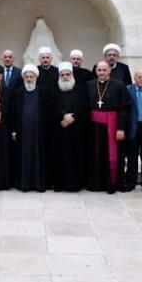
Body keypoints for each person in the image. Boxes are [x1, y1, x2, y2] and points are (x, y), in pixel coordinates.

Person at [85, 61, 130, 193]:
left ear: (109, 71)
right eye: (99, 70)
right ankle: (95, 184)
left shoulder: (119, 85)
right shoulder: (89, 85)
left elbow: (123, 108)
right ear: (96, 71)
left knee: (113, 155)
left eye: (104, 70)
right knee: (95, 154)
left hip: (112, 124)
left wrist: (121, 128)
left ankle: (112, 184)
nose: (102, 73)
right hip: (94, 126)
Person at [11, 64, 50, 192]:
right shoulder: (17, 93)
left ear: (36, 78)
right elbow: (12, 113)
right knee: (24, 157)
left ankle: (38, 184)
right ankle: (24, 184)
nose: (28, 79)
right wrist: (13, 130)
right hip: (23, 132)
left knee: (38, 156)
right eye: (26, 77)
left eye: (31, 77)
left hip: (39, 132)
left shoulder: (43, 92)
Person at [52, 62, 87, 192]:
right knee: (60, 157)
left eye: (67, 74)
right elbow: (51, 106)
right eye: (63, 75)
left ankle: (74, 184)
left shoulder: (80, 89)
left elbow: (83, 106)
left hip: (76, 130)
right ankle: (59, 184)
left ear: (72, 75)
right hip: (59, 129)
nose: (65, 77)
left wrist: (73, 117)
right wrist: (62, 116)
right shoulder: (54, 89)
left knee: (75, 157)